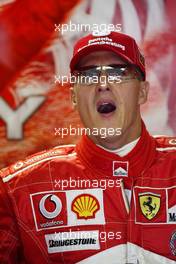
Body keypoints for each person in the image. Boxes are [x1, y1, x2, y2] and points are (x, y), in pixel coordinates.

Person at [0, 30, 176, 264]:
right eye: (89, 75)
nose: (103, 84)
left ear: (142, 92)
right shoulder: (16, 190)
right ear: (73, 97)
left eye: (117, 73)